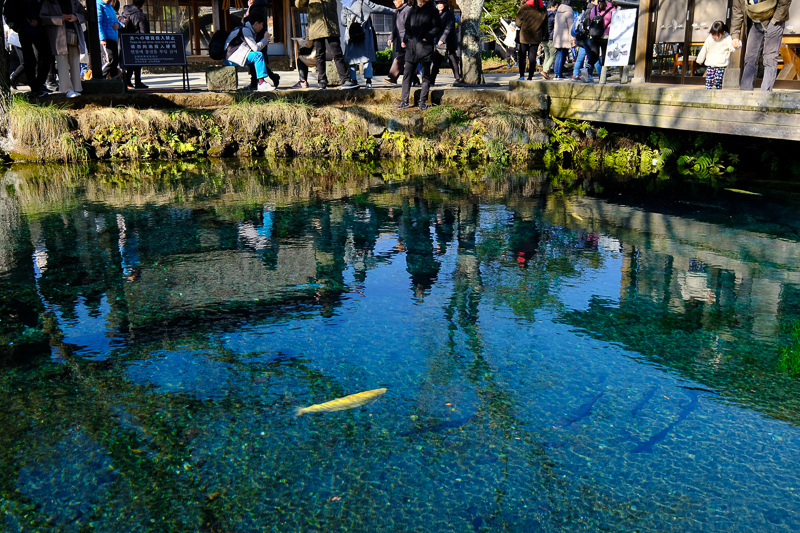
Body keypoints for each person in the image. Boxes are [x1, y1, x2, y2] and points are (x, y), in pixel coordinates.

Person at [730, 0, 792, 92]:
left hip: (774, 21)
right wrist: (735, 35)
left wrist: (774, 20)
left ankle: (765, 94)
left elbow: (784, 2)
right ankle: (745, 93)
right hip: (755, 23)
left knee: (769, 58)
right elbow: (737, 10)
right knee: (750, 58)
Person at [296, 0, 357, 89]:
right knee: (319, 54)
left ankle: (345, 80)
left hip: (331, 26)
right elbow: (298, 4)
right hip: (317, 27)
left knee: (337, 53)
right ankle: (322, 81)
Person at [398, 0, 442, 110]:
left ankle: (423, 101)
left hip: (425, 47)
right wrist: (406, 37)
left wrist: (427, 37)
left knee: (426, 75)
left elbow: (437, 27)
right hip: (411, 47)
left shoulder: (432, 10)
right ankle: (404, 100)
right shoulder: (412, 9)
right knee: (407, 74)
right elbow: (407, 25)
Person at [341, 0, 395, 89]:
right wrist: (393, 11)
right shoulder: (365, 2)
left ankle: (353, 80)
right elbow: (379, 8)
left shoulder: (346, 5)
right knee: (367, 58)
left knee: (352, 59)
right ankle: (368, 81)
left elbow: (343, 22)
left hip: (351, 35)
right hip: (365, 34)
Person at [4, 0, 53, 97]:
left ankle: (39, 84)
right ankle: (34, 88)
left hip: (39, 30)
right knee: (29, 60)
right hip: (24, 31)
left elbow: (45, 9)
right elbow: (8, 13)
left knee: (46, 58)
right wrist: (17, 27)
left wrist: (39, 21)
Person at [40, 0, 87, 98]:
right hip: (58, 37)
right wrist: (59, 19)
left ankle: (77, 88)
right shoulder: (49, 3)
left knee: (75, 61)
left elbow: (85, 14)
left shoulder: (74, 2)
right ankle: (67, 90)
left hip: (74, 35)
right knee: (62, 62)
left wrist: (76, 17)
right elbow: (43, 17)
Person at [223, 12, 275, 91]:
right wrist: (265, 39)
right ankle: (261, 83)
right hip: (231, 57)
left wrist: (264, 42)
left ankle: (255, 83)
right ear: (256, 23)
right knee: (258, 55)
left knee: (255, 56)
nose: (262, 27)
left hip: (232, 56)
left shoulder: (247, 29)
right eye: (261, 25)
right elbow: (255, 48)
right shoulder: (246, 30)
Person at [242, 0, 281, 89]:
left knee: (255, 60)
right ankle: (272, 77)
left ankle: (257, 82)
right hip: (260, 36)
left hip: (257, 37)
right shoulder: (260, 6)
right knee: (259, 61)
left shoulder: (256, 8)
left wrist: (248, 8)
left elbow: (246, 20)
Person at [696, 21, 736, 90]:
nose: (713, 37)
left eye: (716, 35)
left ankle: (718, 94)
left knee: (718, 81)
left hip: (721, 65)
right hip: (711, 64)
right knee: (709, 81)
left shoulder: (727, 38)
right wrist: (700, 59)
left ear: (723, 33)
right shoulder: (709, 39)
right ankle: (707, 94)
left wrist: (736, 45)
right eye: (712, 34)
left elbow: (732, 48)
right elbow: (704, 49)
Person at [119, 0, 149, 89]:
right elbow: (144, 31)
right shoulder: (139, 15)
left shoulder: (125, 12)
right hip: (136, 41)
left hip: (124, 40)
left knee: (129, 62)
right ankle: (137, 82)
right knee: (137, 62)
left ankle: (127, 80)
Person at [386, 0, 416, 85]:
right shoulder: (399, 11)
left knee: (402, 59)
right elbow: (396, 27)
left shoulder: (407, 10)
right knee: (403, 60)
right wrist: (391, 37)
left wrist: (406, 40)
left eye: (396, 0)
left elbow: (408, 27)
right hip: (400, 39)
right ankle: (413, 78)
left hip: (407, 40)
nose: (394, 2)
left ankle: (393, 77)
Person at [515, 0, 547, 81]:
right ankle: (530, 77)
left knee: (522, 56)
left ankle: (522, 76)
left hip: (524, 36)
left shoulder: (524, 7)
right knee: (532, 57)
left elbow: (517, 22)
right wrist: (541, 36)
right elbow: (545, 26)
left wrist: (523, 25)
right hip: (536, 37)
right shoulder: (543, 9)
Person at [430, 0, 459, 85]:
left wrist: (442, 39)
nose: (439, 5)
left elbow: (448, 28)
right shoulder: (436, 13)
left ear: (445, 4)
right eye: (438, 3)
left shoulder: (449, 14)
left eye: (441, 3)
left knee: (452, 59)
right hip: (439, 41)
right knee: (436, 61)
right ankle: (431, 81)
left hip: (449, 40)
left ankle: (458, 78)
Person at [586, 0, 614, 76]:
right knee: (605, 55)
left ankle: (586, 69)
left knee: (594, 55)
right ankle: (603, 75)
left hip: (594, 34)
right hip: (605, 35)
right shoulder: (612, 9)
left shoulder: (594, 9)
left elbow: (592, 18)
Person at [97, 0, 120, 79]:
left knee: (115, 61)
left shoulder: (109, 6)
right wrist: (102, 38)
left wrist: (118, 25)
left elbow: (115, 21)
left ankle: (115, 81)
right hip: (106, 38)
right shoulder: (99, 5)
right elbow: (98, 23)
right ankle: (99, 77)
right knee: (110, 60)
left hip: (112, 37)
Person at [551, 0, 572, 80]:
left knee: (558, 55)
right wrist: (572, 38)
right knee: (562, 56)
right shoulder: (569, 13)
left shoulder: (558, 13)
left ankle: (556, 73)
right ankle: (559, 74)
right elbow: (571, 27)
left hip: (558, 37)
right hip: (565, 37)